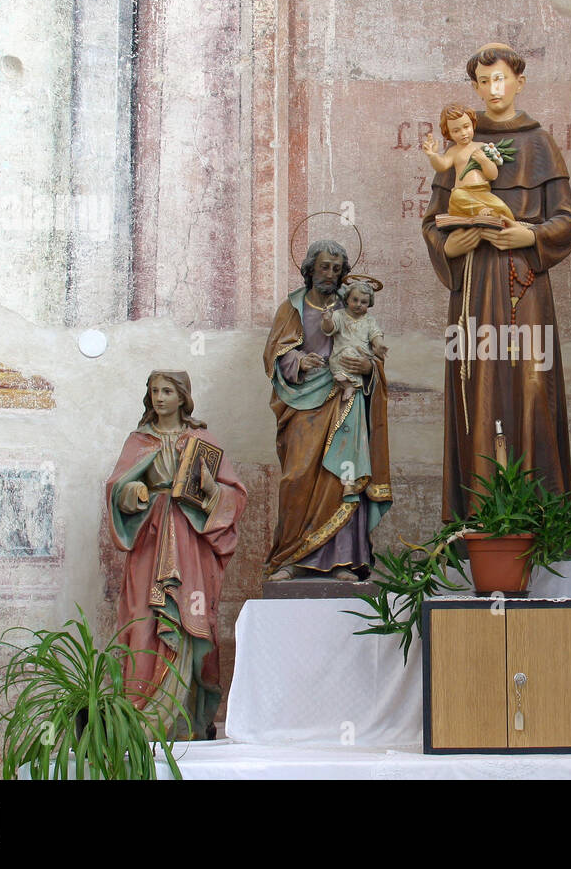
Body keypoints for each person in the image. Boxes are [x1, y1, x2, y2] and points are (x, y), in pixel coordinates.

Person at [421, 43, 571, 520]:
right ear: (474, 88)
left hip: (524, 284)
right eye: (484, 81)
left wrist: (528, 233)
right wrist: (451, 247)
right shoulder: (458, 142)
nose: (493, 89)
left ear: (518, 83)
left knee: (531, 387)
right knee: (476, 386)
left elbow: (567, 223)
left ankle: (537, 523)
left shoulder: (540, 144)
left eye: (501, 79)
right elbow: (434, 222)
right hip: (471, 286)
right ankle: (478, 520)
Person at [105, 370, 246, 739]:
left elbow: (234, 494)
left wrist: (213, 490)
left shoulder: (200, 439)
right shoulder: (139, 441)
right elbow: (117, 486)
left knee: (189, 617)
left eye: (167, 391)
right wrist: (132, 492)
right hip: (150, 541)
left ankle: (186, 720)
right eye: (154, 391)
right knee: (144, 617)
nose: (159, 398)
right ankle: (141, 718)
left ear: (183, 397)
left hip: (189, 542)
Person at [262, 240, 393, 580]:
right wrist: (298, 360)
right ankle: (290, 558)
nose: (330, 274)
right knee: (297, 475)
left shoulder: (353, 306)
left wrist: (368, 367)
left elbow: (375, 354)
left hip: (346, 398)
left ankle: (342, 561)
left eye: (337, 269)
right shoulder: (292, 307)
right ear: (309, 268)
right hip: (303, 402)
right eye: (324, 266)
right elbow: (273, 355)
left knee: (342, 477)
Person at [322, 280, 388, 404]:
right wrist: (327, 320)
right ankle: (348, 385)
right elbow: (329, 329)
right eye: (355, 300)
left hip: (360, 356)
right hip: (340, 355)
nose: (358, 304)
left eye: (364, 302)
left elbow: (376, 334)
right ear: (347, 299)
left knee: (352, 355)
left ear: (369, 304)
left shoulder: (369, 320)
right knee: (339, 362)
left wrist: (379, 345)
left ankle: (351, 384)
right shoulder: (339, 315)